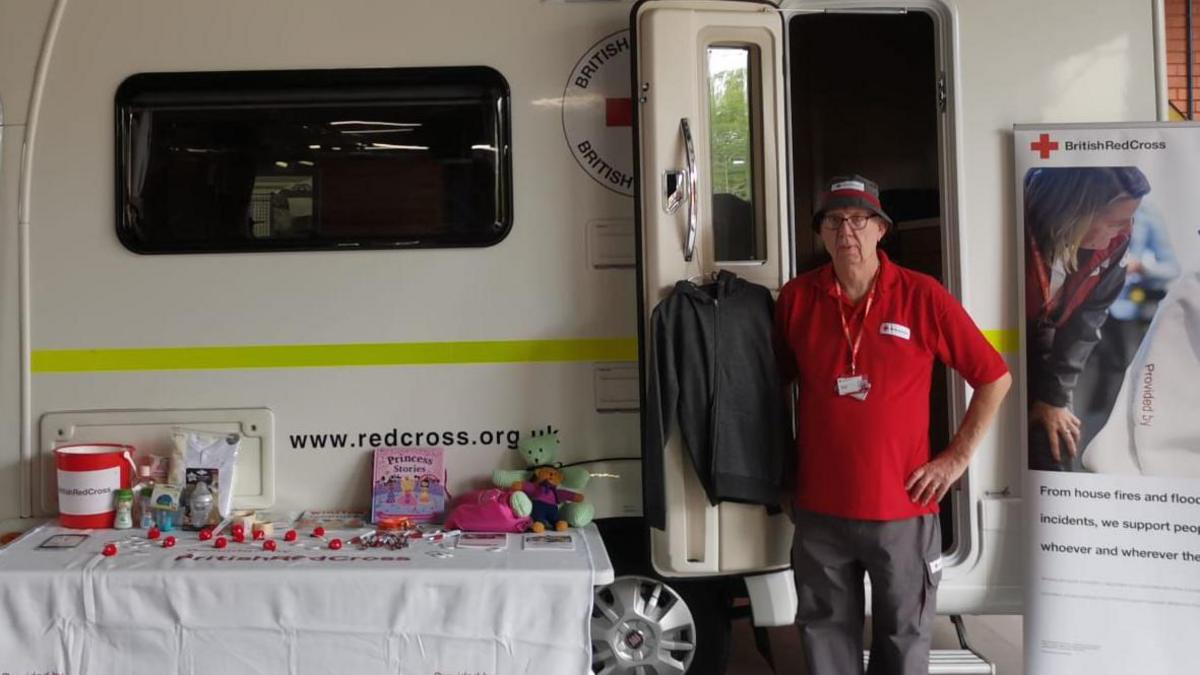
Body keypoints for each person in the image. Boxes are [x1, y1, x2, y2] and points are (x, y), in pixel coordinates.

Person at [775, 175, 1011, 675]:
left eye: (859, 220)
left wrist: (955, 460)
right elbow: (772, 388)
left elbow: (994, 377)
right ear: (820, 233)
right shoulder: (797, 299)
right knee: (824, 642)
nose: (847, 232)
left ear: (881, 229)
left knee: (904, 641)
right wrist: (780, 470)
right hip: (820, 509)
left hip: (902, 507)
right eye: (834, 221)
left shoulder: (922, 296)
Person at [1023, 167, 1151, 471]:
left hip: (1048, 348)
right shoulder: (1019, 219)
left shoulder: (1115, 244)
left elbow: (1088, 318)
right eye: (1115, 221)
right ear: (1076, 210)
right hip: (1001, 350)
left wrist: (1053, 397)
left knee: (1056, 444)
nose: (1124, 231)